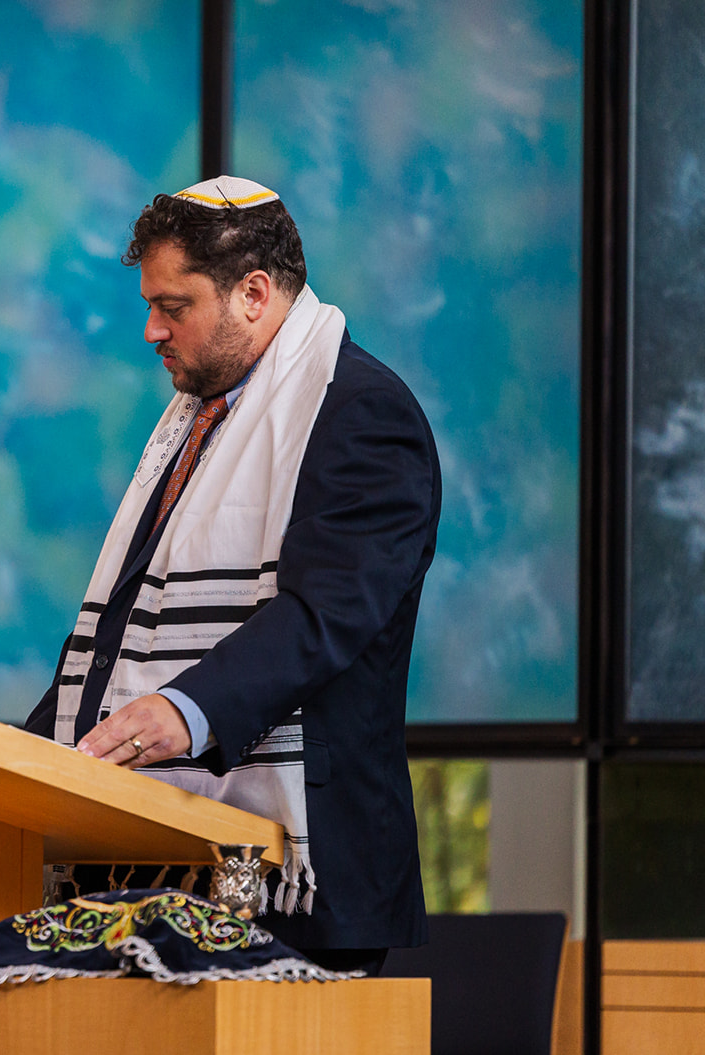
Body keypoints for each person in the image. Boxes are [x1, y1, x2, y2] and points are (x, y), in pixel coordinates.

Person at [24, 176, 441, 975]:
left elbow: (328, 614)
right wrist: (34, 750)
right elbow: (120, 629)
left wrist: (185, 710)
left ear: (253, 293)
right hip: (151, 862)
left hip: (295, 881)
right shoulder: (195, 420)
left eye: (172, 306)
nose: (150, 330)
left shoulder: (360, 410)